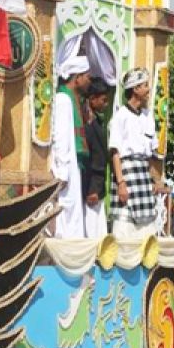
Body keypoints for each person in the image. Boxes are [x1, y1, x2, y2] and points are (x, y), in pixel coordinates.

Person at [109, 67, 165, 241]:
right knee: (124, 230)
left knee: (147, 232)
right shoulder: (121, 116)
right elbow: (115, 152)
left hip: (143, 175)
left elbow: (152, 153)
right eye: (145, 85)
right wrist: (121, 183)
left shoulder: (148, 116)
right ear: (135, 89)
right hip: (126, 173)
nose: (148, 90)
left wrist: (155, 178)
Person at [50, 56, 93, 238]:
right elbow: (60, 138)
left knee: (74, 216)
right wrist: (62, 172)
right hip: (64, 168)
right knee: (66, 216)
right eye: (87, 77)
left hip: (72, 165)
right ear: (77, 78)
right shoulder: (62, 99)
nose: (89, 82)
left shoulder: (74, 100)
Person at [80, 78, 111, 239]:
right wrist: (91, 189)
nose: (105, 105)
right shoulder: (87, 124)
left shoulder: (97, 122)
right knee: (91, 233)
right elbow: (89, 159)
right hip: (91, 185)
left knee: (99, 233)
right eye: (103, 100)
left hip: (98, 185)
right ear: (92, 99)